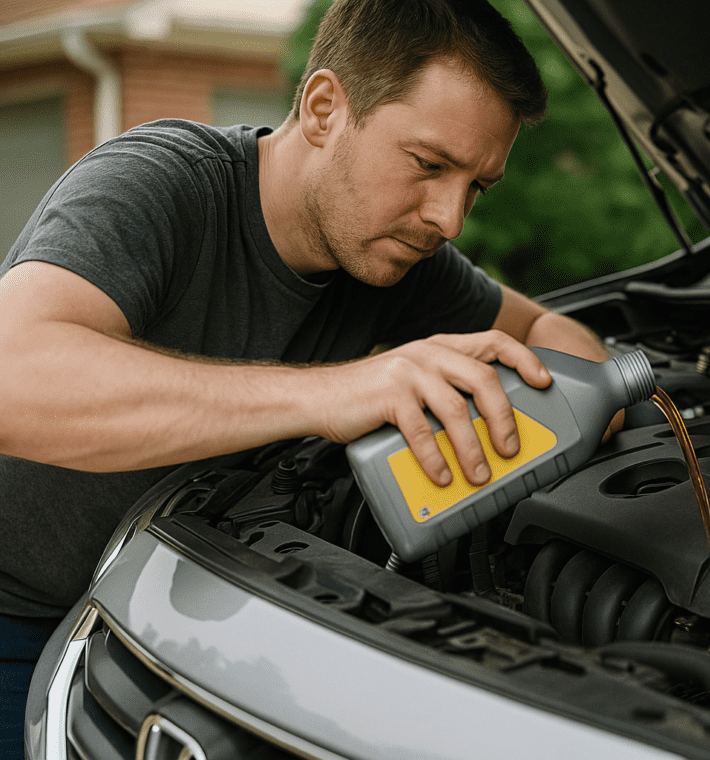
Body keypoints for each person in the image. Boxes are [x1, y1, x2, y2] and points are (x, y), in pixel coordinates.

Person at [0, 0, 616, 755]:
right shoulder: (161, 182)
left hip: (183, 626)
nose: (451, 218)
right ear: (325, 108)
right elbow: (14, 377)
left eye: (477, 186)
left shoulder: (399, 259)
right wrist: (336, 392)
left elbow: (554, 334)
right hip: (16, 619)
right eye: (429, 164)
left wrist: (582, 399)